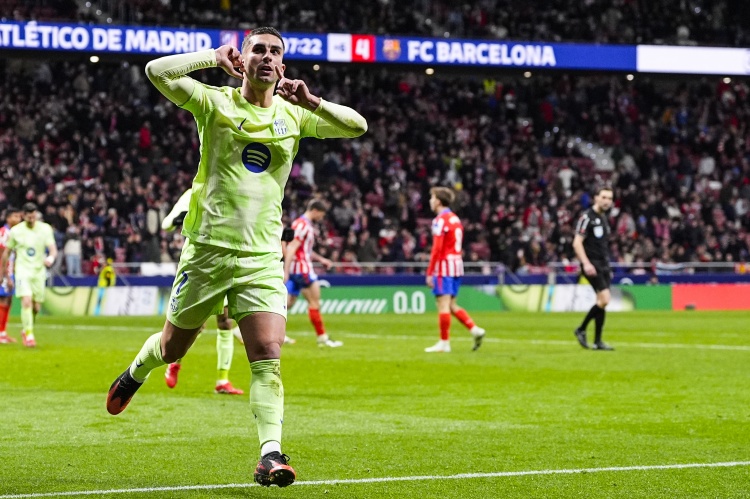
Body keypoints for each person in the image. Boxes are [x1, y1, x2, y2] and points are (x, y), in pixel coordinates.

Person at [105, 27, 367, 489]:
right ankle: (135, 372)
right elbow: (156, 71)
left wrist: (313, 102)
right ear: (242, 59)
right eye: (258, 49)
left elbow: (357, 126)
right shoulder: (215, 102)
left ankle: (270, 454)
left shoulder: (294, 114)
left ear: (282, 65)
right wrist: (211, 57)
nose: (267, 56)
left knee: (267, 354)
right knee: (172, 349)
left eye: (275, 51)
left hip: (261, 256)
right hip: (207, 250)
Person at [160, 188, 246, 395]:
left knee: (225, 322)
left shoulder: (231, 193)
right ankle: (174, 362)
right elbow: (166, 224)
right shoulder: (193, 193)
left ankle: (222, 380)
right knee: (195, 325)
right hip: (199, 266)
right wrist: (182, 218)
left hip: (226, 264)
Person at [423, 187, 485, 353]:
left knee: (442, 304)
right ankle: (475, 330)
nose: (430, 201)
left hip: (444, 266)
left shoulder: (440, 220)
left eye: (432, 198)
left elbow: (437, 248)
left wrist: (430, 272)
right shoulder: (455, 219)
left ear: (438, 201)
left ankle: (444, 343)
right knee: (451, 304)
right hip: (457, 265)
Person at [284, 199, 342, 347]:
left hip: (297, 268)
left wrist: (321, 259)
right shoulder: (302, 225)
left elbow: (304, 250)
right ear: (315, 210)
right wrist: (286, 271)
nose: (321, 218)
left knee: (287, 303)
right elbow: (291, 248)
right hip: (302, 269)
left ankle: (251, 330)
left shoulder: (301, 224)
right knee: (314, 301)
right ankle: (322, 337)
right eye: (321, 214)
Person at [0, 203, 57, 348]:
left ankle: (25, 329)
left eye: (33, 215)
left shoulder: (45, 229)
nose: (31, 218)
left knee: (36, 307)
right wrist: (3, 273)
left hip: (38, 271)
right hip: (22, 271)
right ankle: (29, 335)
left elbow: (53, 249)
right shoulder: (16, 231)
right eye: (28, 216)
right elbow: (6, 252)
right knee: (26, 301)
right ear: (24, 216)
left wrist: (50, 258)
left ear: (36, 214)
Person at [573, 186, 615, 351]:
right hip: (592, 264)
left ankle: (598, 341)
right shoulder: (587, 217)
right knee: (605, 299)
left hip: (604, 265)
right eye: (604, 197)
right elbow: (577, 243)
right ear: (596, 198)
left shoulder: (603, 218)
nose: (607, 201)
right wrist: (586, 263)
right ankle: (581, 329)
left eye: (609, 198)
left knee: (601, 302)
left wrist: (608, 266)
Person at [0, 207, 22, 344]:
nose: (18, 219)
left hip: (10, 272)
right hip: (3, 272)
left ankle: (3, 332)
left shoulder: (15, 233)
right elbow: (2, 255)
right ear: (8, 218)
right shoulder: (4, 233)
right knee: (2, 300)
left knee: (8, 300)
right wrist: (4, 275)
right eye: (15, 216)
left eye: (19, 217)